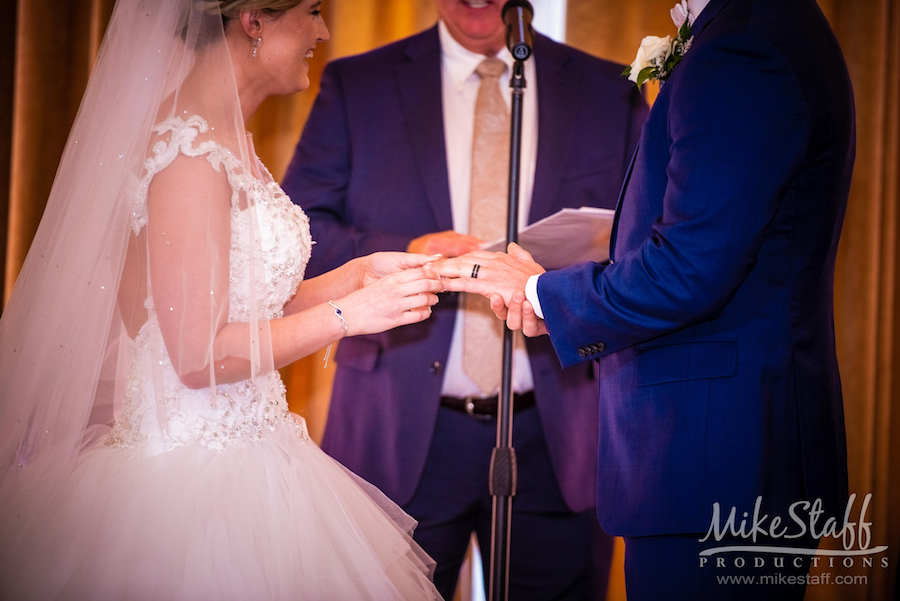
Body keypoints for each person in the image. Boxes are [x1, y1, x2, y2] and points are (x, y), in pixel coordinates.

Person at [0, 0, 444, 598]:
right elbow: (198, 356)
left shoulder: (221, 136)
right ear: (254, 20)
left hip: (259, 452)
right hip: (190, 482)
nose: (323, 31)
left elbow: (241, 308)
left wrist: (355, 277)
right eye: (311, 11)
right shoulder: (188, 154)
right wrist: (349, 317)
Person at [434, 0, 855, 599]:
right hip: (727, 446)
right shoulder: (764, 25)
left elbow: (688, 269)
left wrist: (536, 291)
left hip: (711, 460)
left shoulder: (744, 45)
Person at [281, 1, 647, 598]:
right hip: (397, 427)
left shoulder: (607, 89)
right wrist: (405, 248)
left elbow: (648, 239)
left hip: (560, 431)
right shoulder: (360, 83)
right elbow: (300, 232)